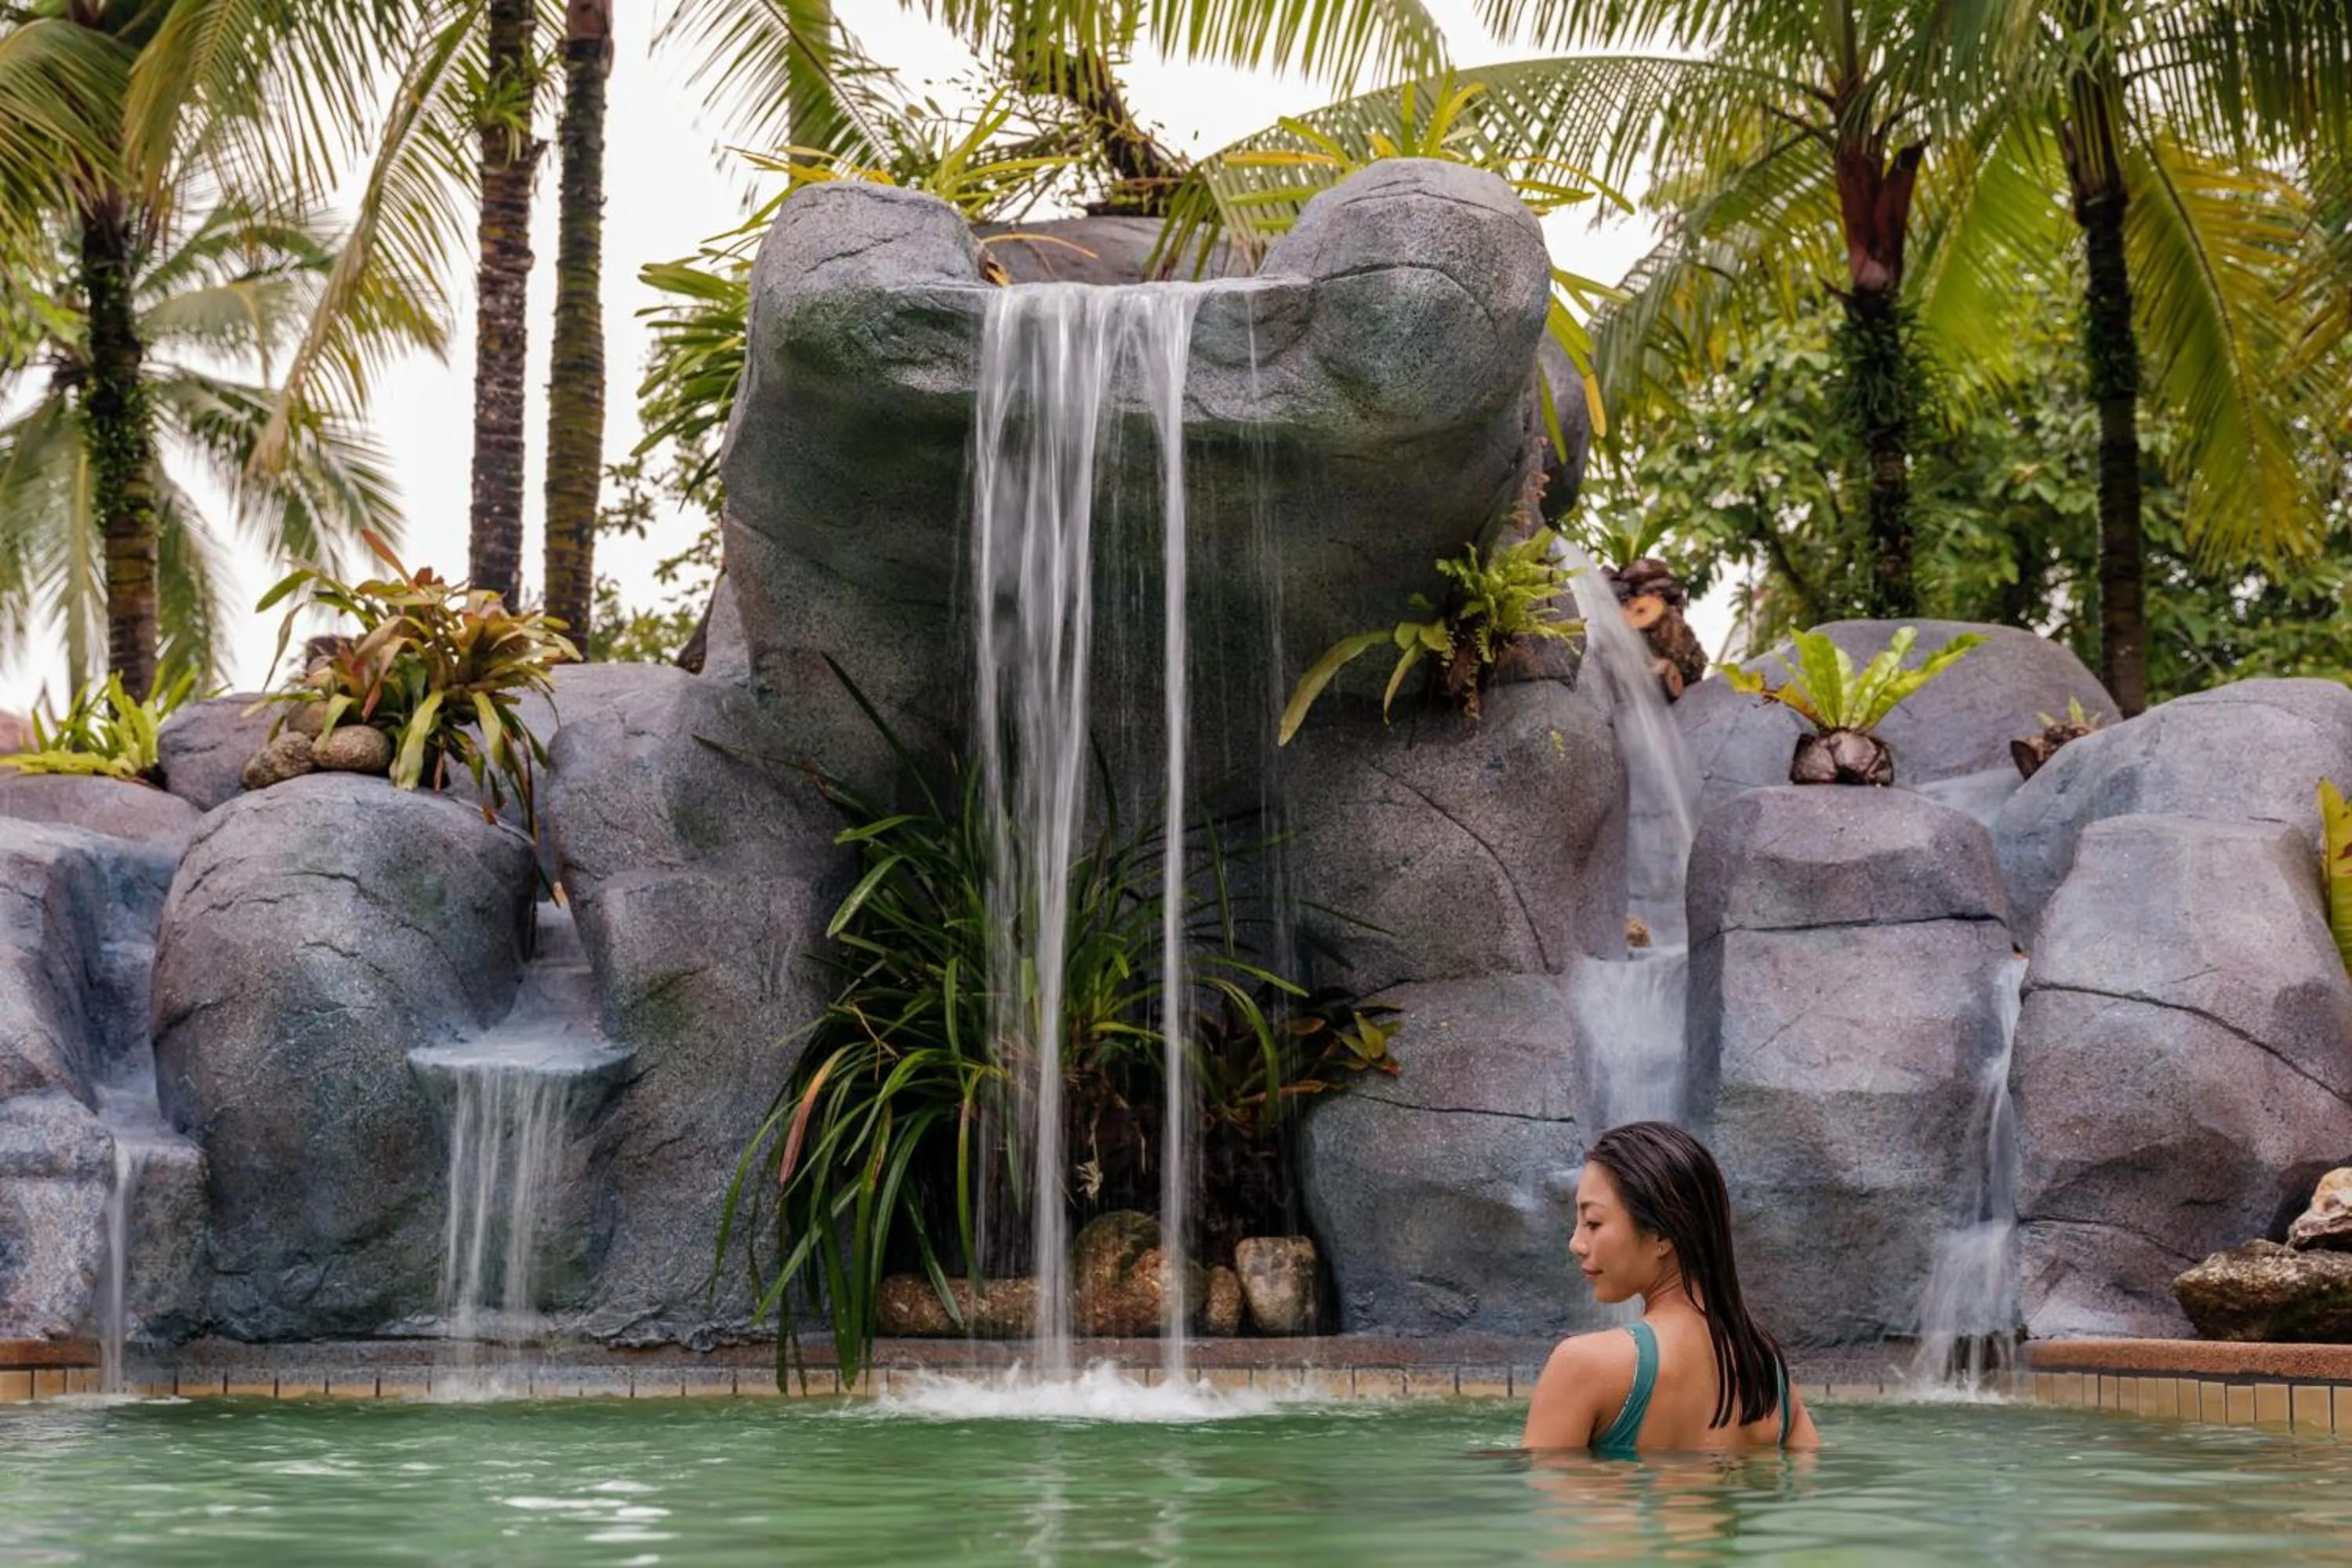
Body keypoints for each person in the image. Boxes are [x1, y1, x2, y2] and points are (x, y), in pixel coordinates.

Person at [1522, 1120, 1820, 1455]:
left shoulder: (1583, 1365)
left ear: (1661, 1235)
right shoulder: (1767, 1373)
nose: (1576, 1243)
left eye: (1593, 1223)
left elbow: (1547, 1500)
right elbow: (1809, 1491)